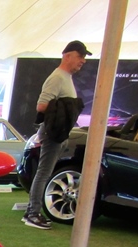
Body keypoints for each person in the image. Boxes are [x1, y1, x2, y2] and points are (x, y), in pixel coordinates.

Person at [22, 40, 90, 230]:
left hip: (59, 132)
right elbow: (41, 106)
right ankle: (32, 213)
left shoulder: (65, 77)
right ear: (67, 55)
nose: (83, 60)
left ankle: (32, 211)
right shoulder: (57, 77)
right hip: (53, 131)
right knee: (44, 172)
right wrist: (66, 109)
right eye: (80, 56)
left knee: (46, 172)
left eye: (84, 57)